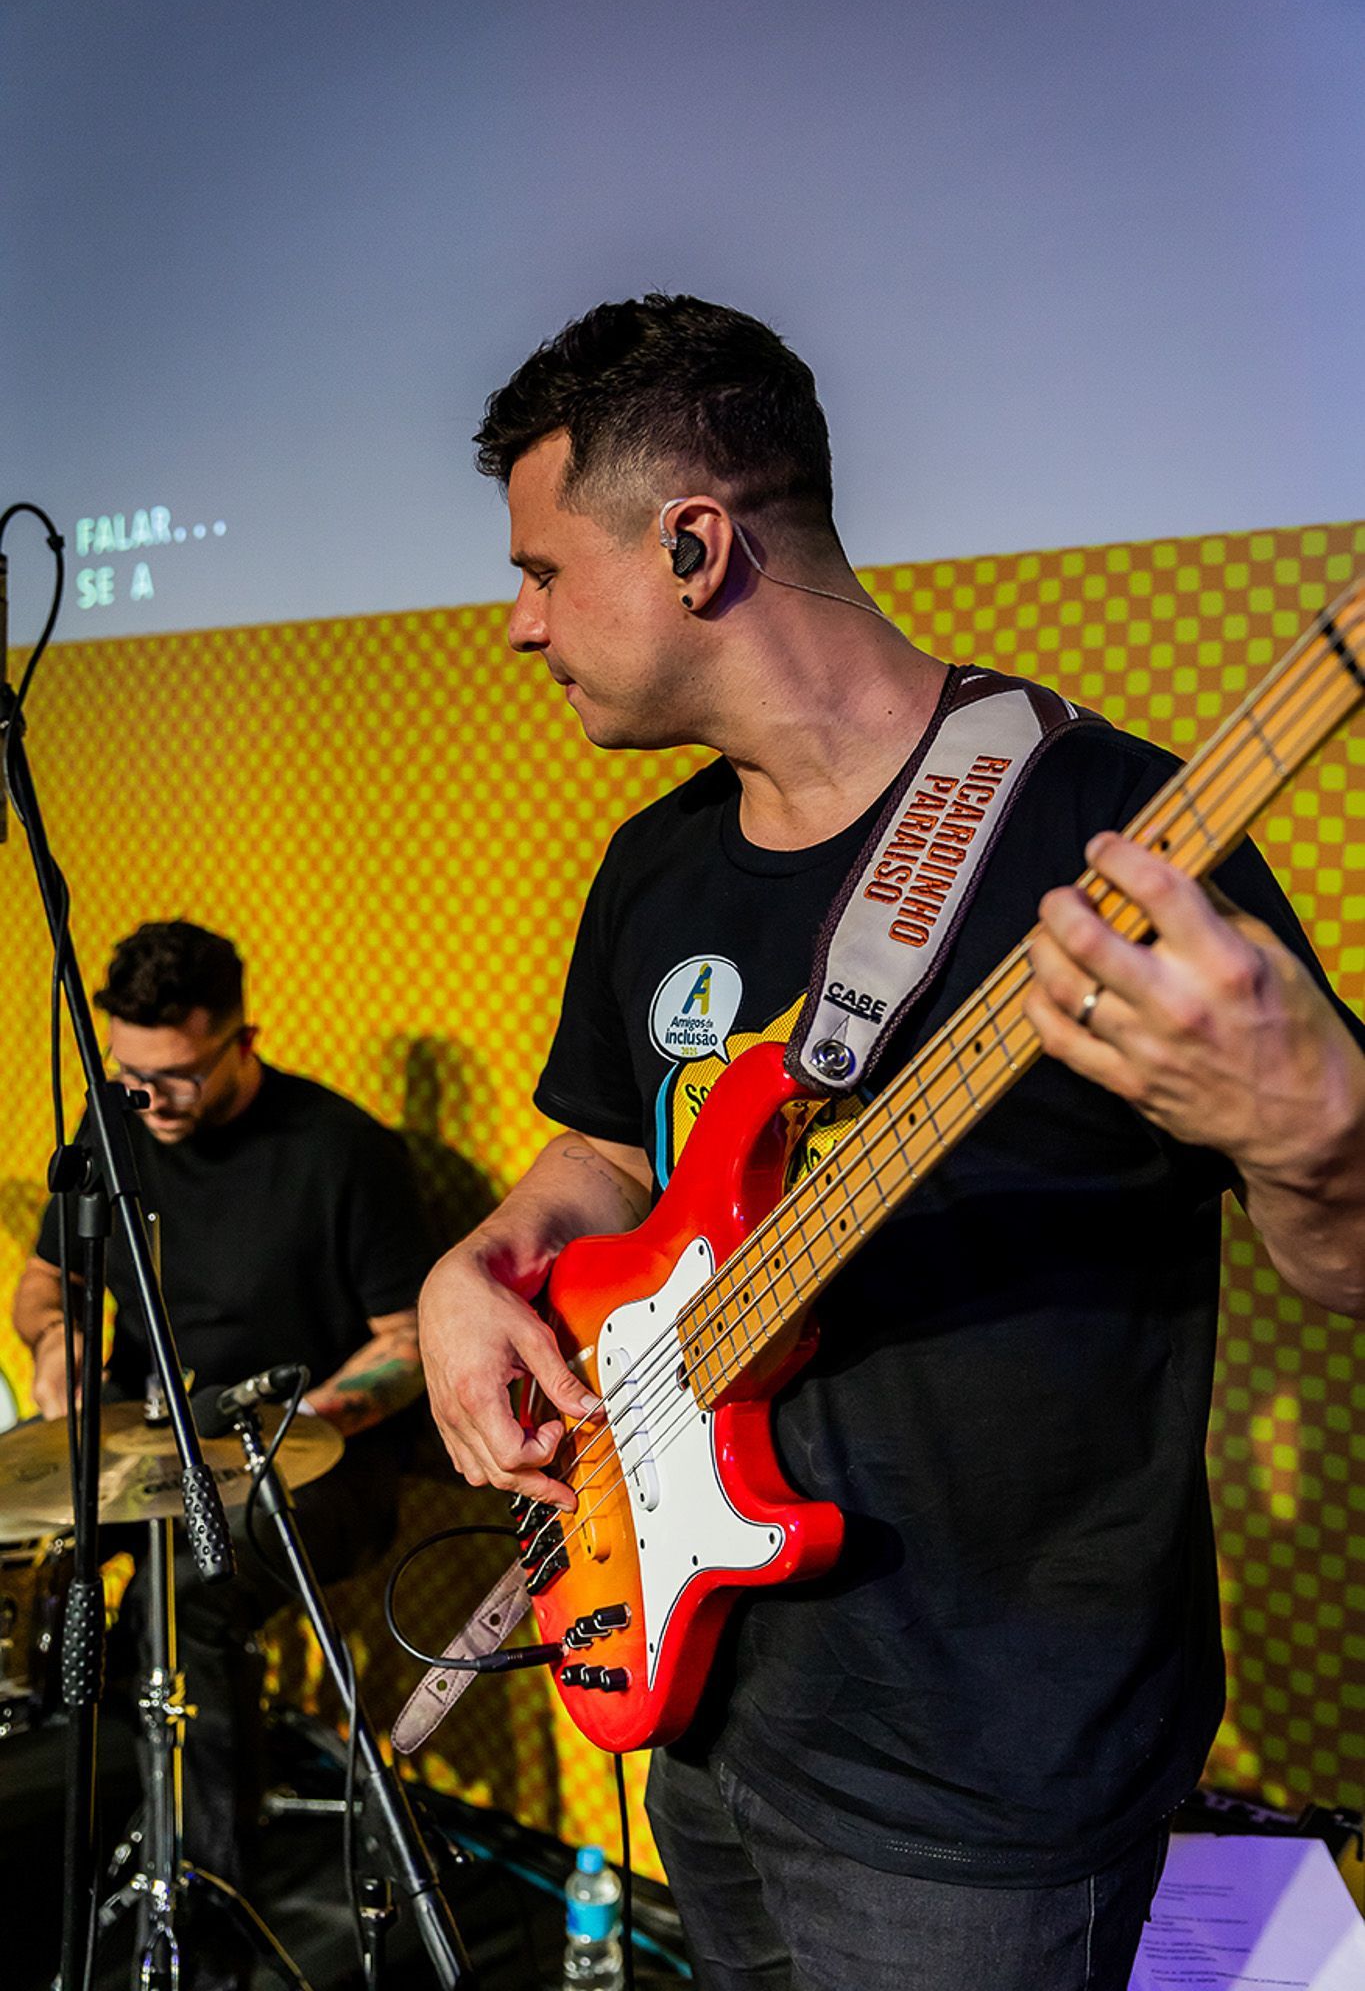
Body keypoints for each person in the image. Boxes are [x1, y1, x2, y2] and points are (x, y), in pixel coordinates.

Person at [417, 295, 1365, 1991]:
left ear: (695, 545)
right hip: (706, 1699)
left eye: (546, 572)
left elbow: (1347, 1263)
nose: (518, 625)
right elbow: (606, 1157)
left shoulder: (1114, 838)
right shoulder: (658, 868)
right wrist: (480, 1259)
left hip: (990, 1777)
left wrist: (1318, 1141)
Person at [11, 921, 435, 1934]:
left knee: (191, 1596)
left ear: (243, 1037)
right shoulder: (114, 1123)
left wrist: (299, 1423)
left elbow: (410, 1340)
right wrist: (54, 1341)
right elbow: (45, 1280)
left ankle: (206, 1895)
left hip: (310, 1463)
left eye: (178, 1074)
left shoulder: (343, 1150)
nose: (148, 1098)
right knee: (28, 1537)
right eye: (128, 1072)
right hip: (142, 1439)